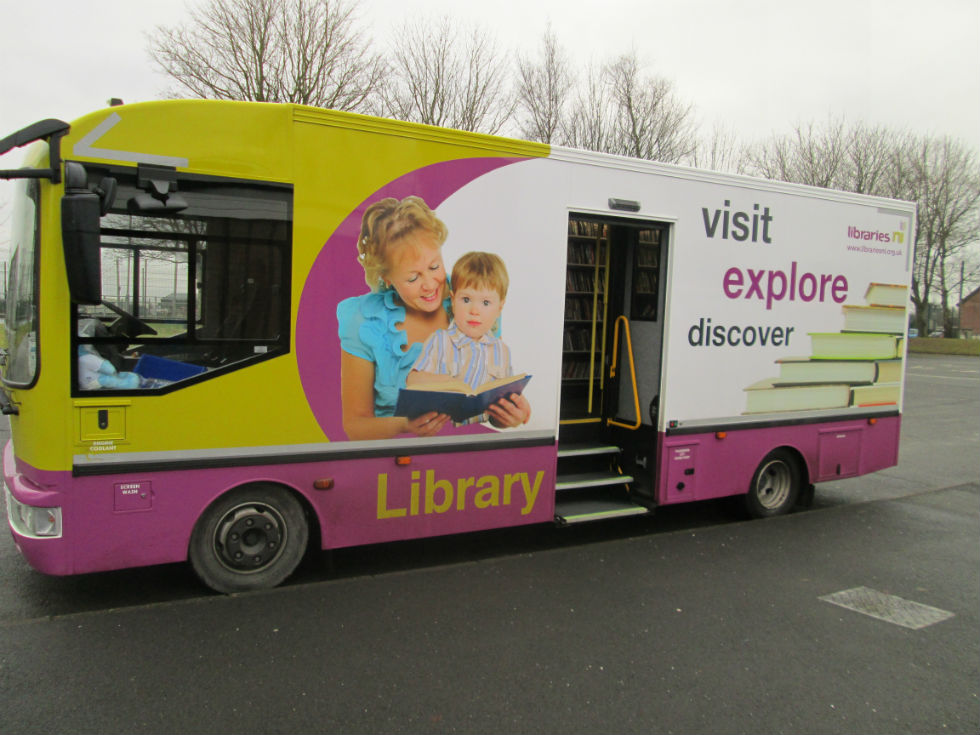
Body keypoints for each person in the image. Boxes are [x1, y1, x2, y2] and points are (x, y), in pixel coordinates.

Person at [337, 197, 530, 440]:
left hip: (464, 460)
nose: (429, 285)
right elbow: (355, 425)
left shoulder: (470, 298)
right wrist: (403, 425)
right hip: (394, 459)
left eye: (434, 266)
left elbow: (484, 397)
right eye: (412, 278)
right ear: (387, 279)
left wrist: (507, 415)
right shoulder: (364, 321)